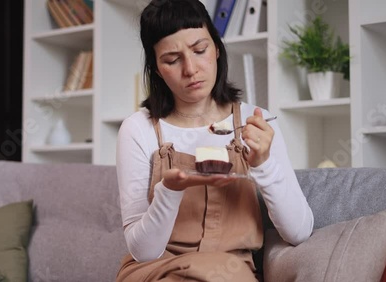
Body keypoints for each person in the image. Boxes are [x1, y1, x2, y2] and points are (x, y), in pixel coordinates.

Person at [115, 0, 314, 281]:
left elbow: (299, 231)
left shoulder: (256, 123)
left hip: (228, 271)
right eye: (172, 60)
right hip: (157, 270)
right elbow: (143, 251)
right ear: (157, 69)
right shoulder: (138, 130)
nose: (191, 69)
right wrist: (170, 191)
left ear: (217, 49)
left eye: (200, 50)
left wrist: (264, 165)